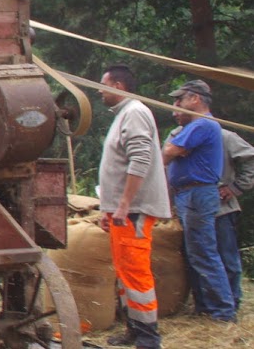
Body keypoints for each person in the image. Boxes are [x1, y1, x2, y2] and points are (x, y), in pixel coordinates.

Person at [95, 65, 170, 349]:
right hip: (123, 211)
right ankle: (134, 330)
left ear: (119, 86)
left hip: (134, 211)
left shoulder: (135, 112)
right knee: (125, 269)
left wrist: (124, 204)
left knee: (136, 271)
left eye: (103, 84)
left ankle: (148, 339)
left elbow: (140, 160)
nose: (100, 90)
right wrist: (109, 207)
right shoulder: (124, 115)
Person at [166, 123, 254, 312]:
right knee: (195, 258)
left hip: (221, 208)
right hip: (187, 207)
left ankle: (230, 304)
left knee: (226, 258)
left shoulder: (223, 136)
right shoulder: (175, 135)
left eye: (180, 101)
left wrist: (235, 188)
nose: (175, 110)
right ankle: (204, 306)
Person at [162, 79, 235, 322]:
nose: (176, 105)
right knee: (198, 252)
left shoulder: (202, 124)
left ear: (195, 99)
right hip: (191, 194)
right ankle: (208, 307)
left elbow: (168, 152)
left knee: (204, 253)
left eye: (179, 99)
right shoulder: (196, 126)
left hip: (196, 194)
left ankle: (223, 312)